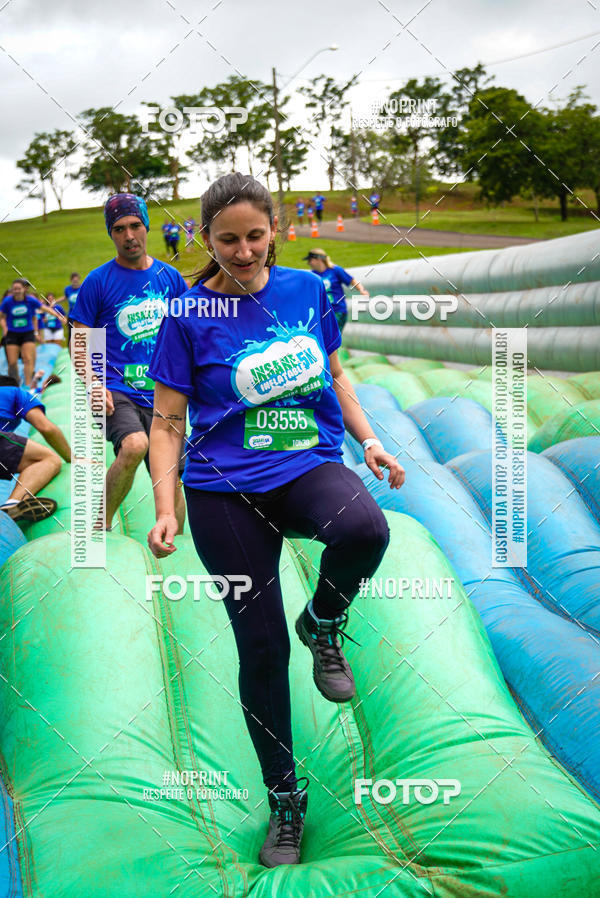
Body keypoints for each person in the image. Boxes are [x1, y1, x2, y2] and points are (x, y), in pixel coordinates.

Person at [146, 173, 404, 869]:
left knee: (365, 530)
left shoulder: (308, 291)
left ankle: (322, 622)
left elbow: (336, 374)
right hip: (223, 491)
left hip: (304, 465)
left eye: (255, 236)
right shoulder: (186, 313)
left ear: (274, 231)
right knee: (261, 650)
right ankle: (285, 802)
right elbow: (166, 422)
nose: (243, 251)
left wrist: (370, 441)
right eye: (228, 239)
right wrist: (166, 506)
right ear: (207, 239)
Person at [69, 193, 188, 531]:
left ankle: (174, 543)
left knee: (171, 478)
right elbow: (79, 341)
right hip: (115, 388)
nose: (129, 235)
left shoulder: (170, 278)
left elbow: (189, 334)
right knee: (135, 444)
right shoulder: (98, 281)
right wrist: (93, 384)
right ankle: (101, 524)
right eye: (119, 229)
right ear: (111, 234)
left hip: (163, 393)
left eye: (135, 225)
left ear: (147, 226)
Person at [0, 374, 71, 522]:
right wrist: (73, 459)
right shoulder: (16, 393)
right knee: (48, 459)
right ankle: (13, 504)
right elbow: (46, 428)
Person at [304, 249, 369, 331]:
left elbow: (352, 281)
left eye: (310, 260)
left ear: (318, 259)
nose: (308, 263)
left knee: (331, 335)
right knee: (324, 336)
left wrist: (361, 290)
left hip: (337, 310)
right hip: (322, 313)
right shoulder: (313, 275)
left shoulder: (335, 270)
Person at [0, 279, 44, 385]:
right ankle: (15, 381)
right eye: (15, 289)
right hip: (11, 334)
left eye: (26, 286)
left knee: (28, 358)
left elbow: (34, 318)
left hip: (27, 333)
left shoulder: (30, 300)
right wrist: (5, 328)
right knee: (12, 362)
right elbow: (2, 317)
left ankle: (29, 381)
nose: (17, 291)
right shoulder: (7, 301)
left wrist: (36, 333)